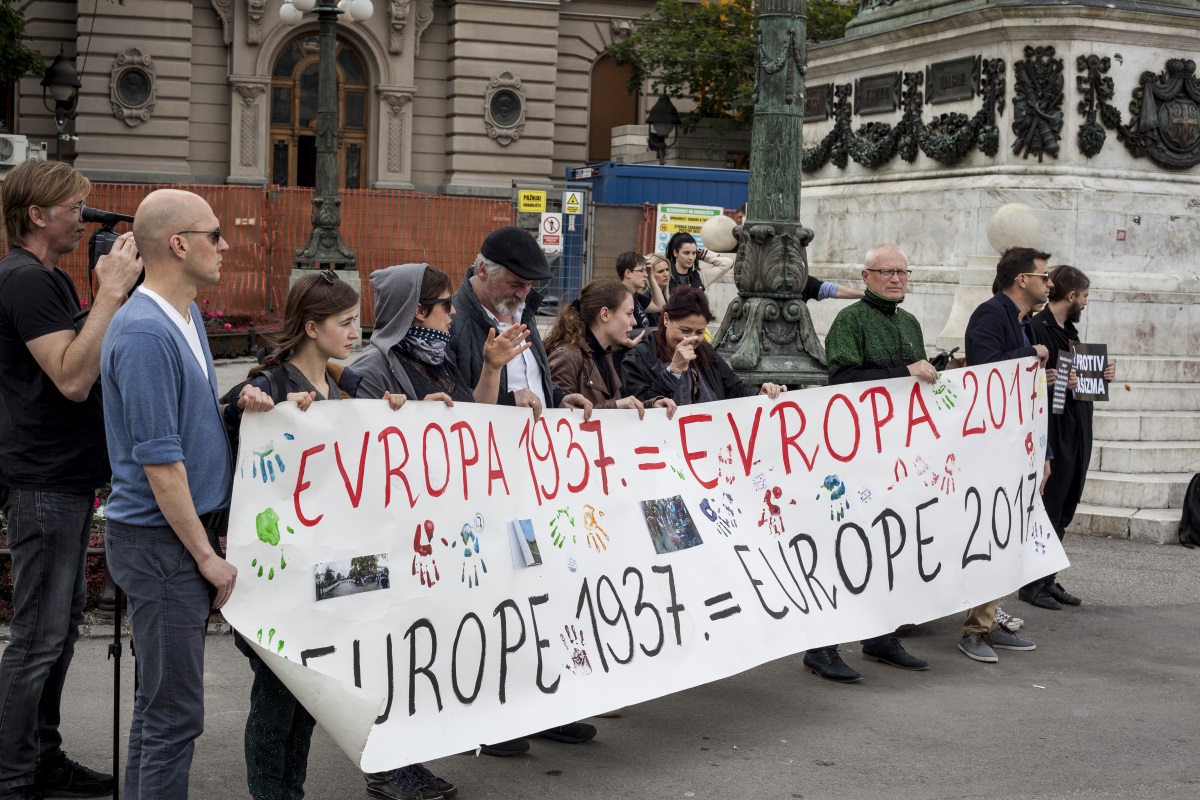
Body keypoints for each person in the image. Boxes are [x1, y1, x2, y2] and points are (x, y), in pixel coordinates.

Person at [101, 189, 274, 799]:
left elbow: (187, 420)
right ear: (179, 245)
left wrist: (239, 401)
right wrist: (204, 554)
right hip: (163, 545)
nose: (226, 245)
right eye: (214, 234)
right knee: (174, 715)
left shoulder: (186, 314)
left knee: (161, 710)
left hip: (171, 539)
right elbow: (161, 465)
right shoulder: (146, 332)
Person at [231, 271, 411, 800]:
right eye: (345, 322)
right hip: (282, 572)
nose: (356, 332)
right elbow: (232, 424)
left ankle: (293, 791)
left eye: (356, 321)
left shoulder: (347, 386)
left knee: (311, 695)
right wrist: (249, 403)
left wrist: (396, 412)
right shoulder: (270, 385)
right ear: (311, 327)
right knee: (276, 697)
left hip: (333, 570)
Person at [0, 160, 141, 800]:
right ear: (37, 214)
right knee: (37, 639)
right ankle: (13, 776)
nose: (84, 219)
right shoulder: (25, 279)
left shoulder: (44, 279)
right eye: (75, 207)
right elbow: (71, 377)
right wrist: (109, 294)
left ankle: (41, 759)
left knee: (55, 636)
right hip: (43, 481)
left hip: (63, 477)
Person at [800, 245, 933, 683]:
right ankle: (821, 648)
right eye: (886, 272)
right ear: (867, 275)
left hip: (898, 455)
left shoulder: (910, 322)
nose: (896, 279)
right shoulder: (850, 320)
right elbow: (840, 382)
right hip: (854, 457)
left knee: (889, 545)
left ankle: (880, 636)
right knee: (844, 548)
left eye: (902, 271)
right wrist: (903, 371)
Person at [957, 246, 1049, 663]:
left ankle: (988, 622)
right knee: (987, 533)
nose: (1050, 283)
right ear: (1022, 280)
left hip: (1014, 445)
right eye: (1044, 276)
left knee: (1005, 534)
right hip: (986, 447)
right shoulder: (991, 314)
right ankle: (975, 631)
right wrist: (1032, 355)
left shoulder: (1023, 321)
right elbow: (983, 370)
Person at [1020, 264, 1114, 610]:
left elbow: (1078, 384)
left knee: (1068, 500)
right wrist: (1058, 381)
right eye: (1085, 295)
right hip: (1053, 430)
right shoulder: (1037, 328)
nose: (1086, 302)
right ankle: (1032, 582)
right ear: (1072, 296)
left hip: (1077, 427)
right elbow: (1028, 378)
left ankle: (1048, 576)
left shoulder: (1070, 331)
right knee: (1050, 502)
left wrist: (1100, 375)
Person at [447, 226, 592, 420]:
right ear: (483, 270)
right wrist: (508, 403)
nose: (523, 294)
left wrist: (558, 398)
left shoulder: (521, 311)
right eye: (514, 284)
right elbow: (448, 405)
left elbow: (531, 377)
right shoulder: (450, 321)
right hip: (491, 444)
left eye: (530, 285)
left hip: (533, 443)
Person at [346, 262, 530, 407]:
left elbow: (473, 412)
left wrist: (492, 366)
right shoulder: (373, 367)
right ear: (419, 311)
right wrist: (417, 414)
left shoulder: (432, 356)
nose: (453, 310)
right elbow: (365, 438)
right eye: (446, 303)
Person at [621, 287, 785, 405]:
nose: (692, 339)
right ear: (666, 319)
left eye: (699, 332)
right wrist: (673, 371)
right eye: (685, 330)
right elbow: (641, 406)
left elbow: (734, 389)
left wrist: (760, 393)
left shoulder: (704, 351)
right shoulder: (638, 358)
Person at [544, 278, 675, 415]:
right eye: (629, 314)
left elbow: (612, 407)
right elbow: (560, 418)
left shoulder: (605, 353)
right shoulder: (567, 355)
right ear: (605, 314)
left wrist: (649, 406)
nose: (634, 322)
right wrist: (616, 406)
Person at [664, 232, 733, 297]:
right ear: (675, 253)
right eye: (686, 253)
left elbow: (728, 263)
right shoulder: (666, 276)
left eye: (694, 253)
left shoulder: (699, 277)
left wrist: (702, 254)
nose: (691, 258)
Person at [643, 252, 672, 327]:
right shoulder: (644, 298)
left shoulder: (671, 296)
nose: (666, 274)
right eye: (661, 271)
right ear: (649, 273)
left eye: (667, 269)